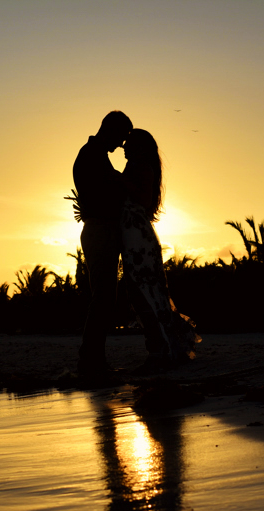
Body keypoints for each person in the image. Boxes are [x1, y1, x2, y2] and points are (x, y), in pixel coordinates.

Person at [118, 129, 199, 369]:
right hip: (135, 237)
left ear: (139, 147)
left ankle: (161, 352)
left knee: (145, 293)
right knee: (144, 292)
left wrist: (119, 181)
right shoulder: (136, 167)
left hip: (139, 239)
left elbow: (142, 200)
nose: (123, 146)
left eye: (128, 143)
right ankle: (162, 349)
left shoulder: (141, 168)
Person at [73, 110, 133, 376]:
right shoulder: (92, 155)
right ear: (109, 129)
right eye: (121, 137)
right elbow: (112, 190)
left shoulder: (94, 154)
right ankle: (91, 360)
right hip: (99, 230)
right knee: (104, 296)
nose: (121, 145)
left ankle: (92, 358)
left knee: (106, 296)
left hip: (100, 229)